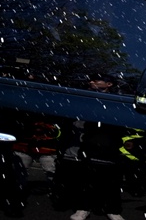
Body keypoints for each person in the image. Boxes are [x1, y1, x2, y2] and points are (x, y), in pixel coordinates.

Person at [54, 74, 126, 220]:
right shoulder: (82, 97)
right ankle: (83, 207)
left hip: (105, 146)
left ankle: (112, 209)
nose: (91, 82)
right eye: (91, 80)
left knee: (109, 180)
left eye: (97, 80)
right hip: (82, 145)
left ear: (109, 84)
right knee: (84, 178)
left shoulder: (116, 100)